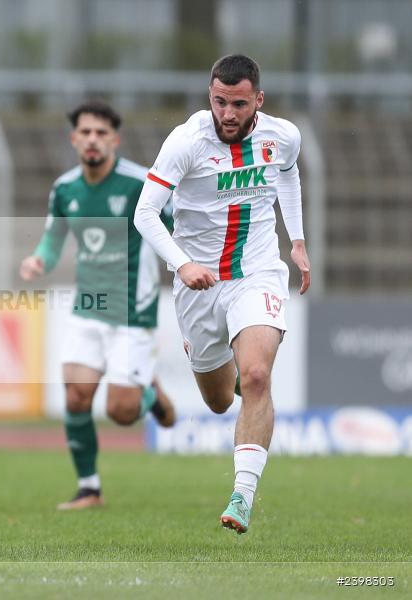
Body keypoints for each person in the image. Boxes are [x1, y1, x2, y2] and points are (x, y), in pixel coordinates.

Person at [134, 54, 311, 534]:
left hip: (257, 273)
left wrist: (295, 241)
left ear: (258, 100)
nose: (227, 114)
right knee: (217, 400)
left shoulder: (283, 136)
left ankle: (242, 495)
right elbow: (144, 213)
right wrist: (182, 262)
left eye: (237, 103)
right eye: (219, 102)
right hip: (199, 285)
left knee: (256, 376)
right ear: (209, 96)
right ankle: (228, 376)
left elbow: (288, 174)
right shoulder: (187, 141)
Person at [20, 100, 177, 511]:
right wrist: (40, 260)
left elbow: (180, 226)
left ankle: (150, 396)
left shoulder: (142, 183)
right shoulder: (65, 188)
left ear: (115, 140)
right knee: (75, 397)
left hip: (132, 310)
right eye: (85, 132)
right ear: (74, 139)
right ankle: (89, 488)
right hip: (88, 308)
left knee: (122, 413)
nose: (92, 139)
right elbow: (53, 241)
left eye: (101, 133)